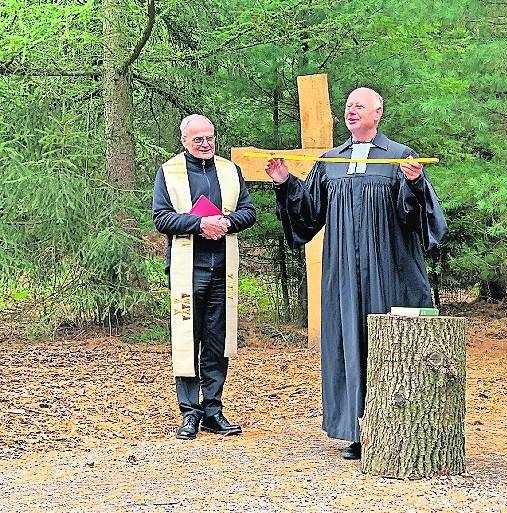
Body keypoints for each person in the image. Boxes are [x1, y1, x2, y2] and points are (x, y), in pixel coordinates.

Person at [265, 87, 447, 460]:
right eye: (347, 106)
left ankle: (394, 425)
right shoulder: (331, 161)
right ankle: (356, 430)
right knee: (348, 340)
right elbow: (309, 214)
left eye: (358, 106)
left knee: (386, 343)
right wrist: (285, 183)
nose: (350, 111)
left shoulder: (399, 158)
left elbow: (418, 220)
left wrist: (415, 184)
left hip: (390, 269)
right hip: (343, 270)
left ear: (377, 112)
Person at [153, 114, 256, 440]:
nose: (206, 144)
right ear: (184, 141)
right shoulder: (169, 173)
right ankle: (189, 413)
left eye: (210, 137)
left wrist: (225, 223)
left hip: (222, 268)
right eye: (198, 139)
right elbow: (161, 218)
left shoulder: (229, 170)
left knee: (216, 341)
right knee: (187, 340)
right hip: (188, 269)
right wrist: (200, 225)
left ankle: (213, 410)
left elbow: (248, 212)